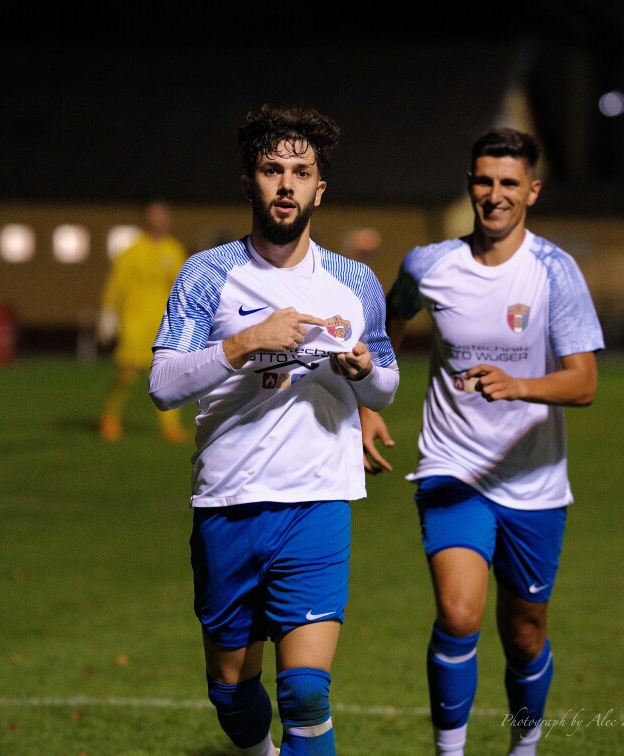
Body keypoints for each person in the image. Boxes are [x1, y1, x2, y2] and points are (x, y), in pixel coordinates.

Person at [149, 103, 400, 755]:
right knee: (232, 696)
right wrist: (247, 343)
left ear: (321, 188)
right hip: (227, 505)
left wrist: (363, 371)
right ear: (249, 184)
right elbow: (163, 386)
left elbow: (387, 388)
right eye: (271, 170)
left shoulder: (355, 283)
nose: (285, 184)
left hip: (316, 501)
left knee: (307, 693)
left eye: (300, 171)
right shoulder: (207, 274)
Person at [361, 127, 604, 756]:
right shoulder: (428, 263)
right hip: (453, 468)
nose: (493, 195)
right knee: (460, 614)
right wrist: (368, 405)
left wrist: (518, 385)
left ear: (532, 191)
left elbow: (584, 384)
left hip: (533, 481)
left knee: (524, 634)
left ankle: (524, 747)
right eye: (483, 181)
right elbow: (391, 323)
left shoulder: (555, 271)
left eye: (507, 184)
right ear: (470, 183)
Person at [97, 200, 188, 443]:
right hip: (133, 322)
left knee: (167, 375)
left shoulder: (174, 250)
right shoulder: (132, 252)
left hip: (163, 323)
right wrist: (108, 312)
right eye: (153, 217)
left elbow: (181, 287)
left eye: (162, 217)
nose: (158, 221)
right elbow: (117, 283)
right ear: (145, 220)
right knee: (127, 372)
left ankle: (170, 425)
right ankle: (109, 418)